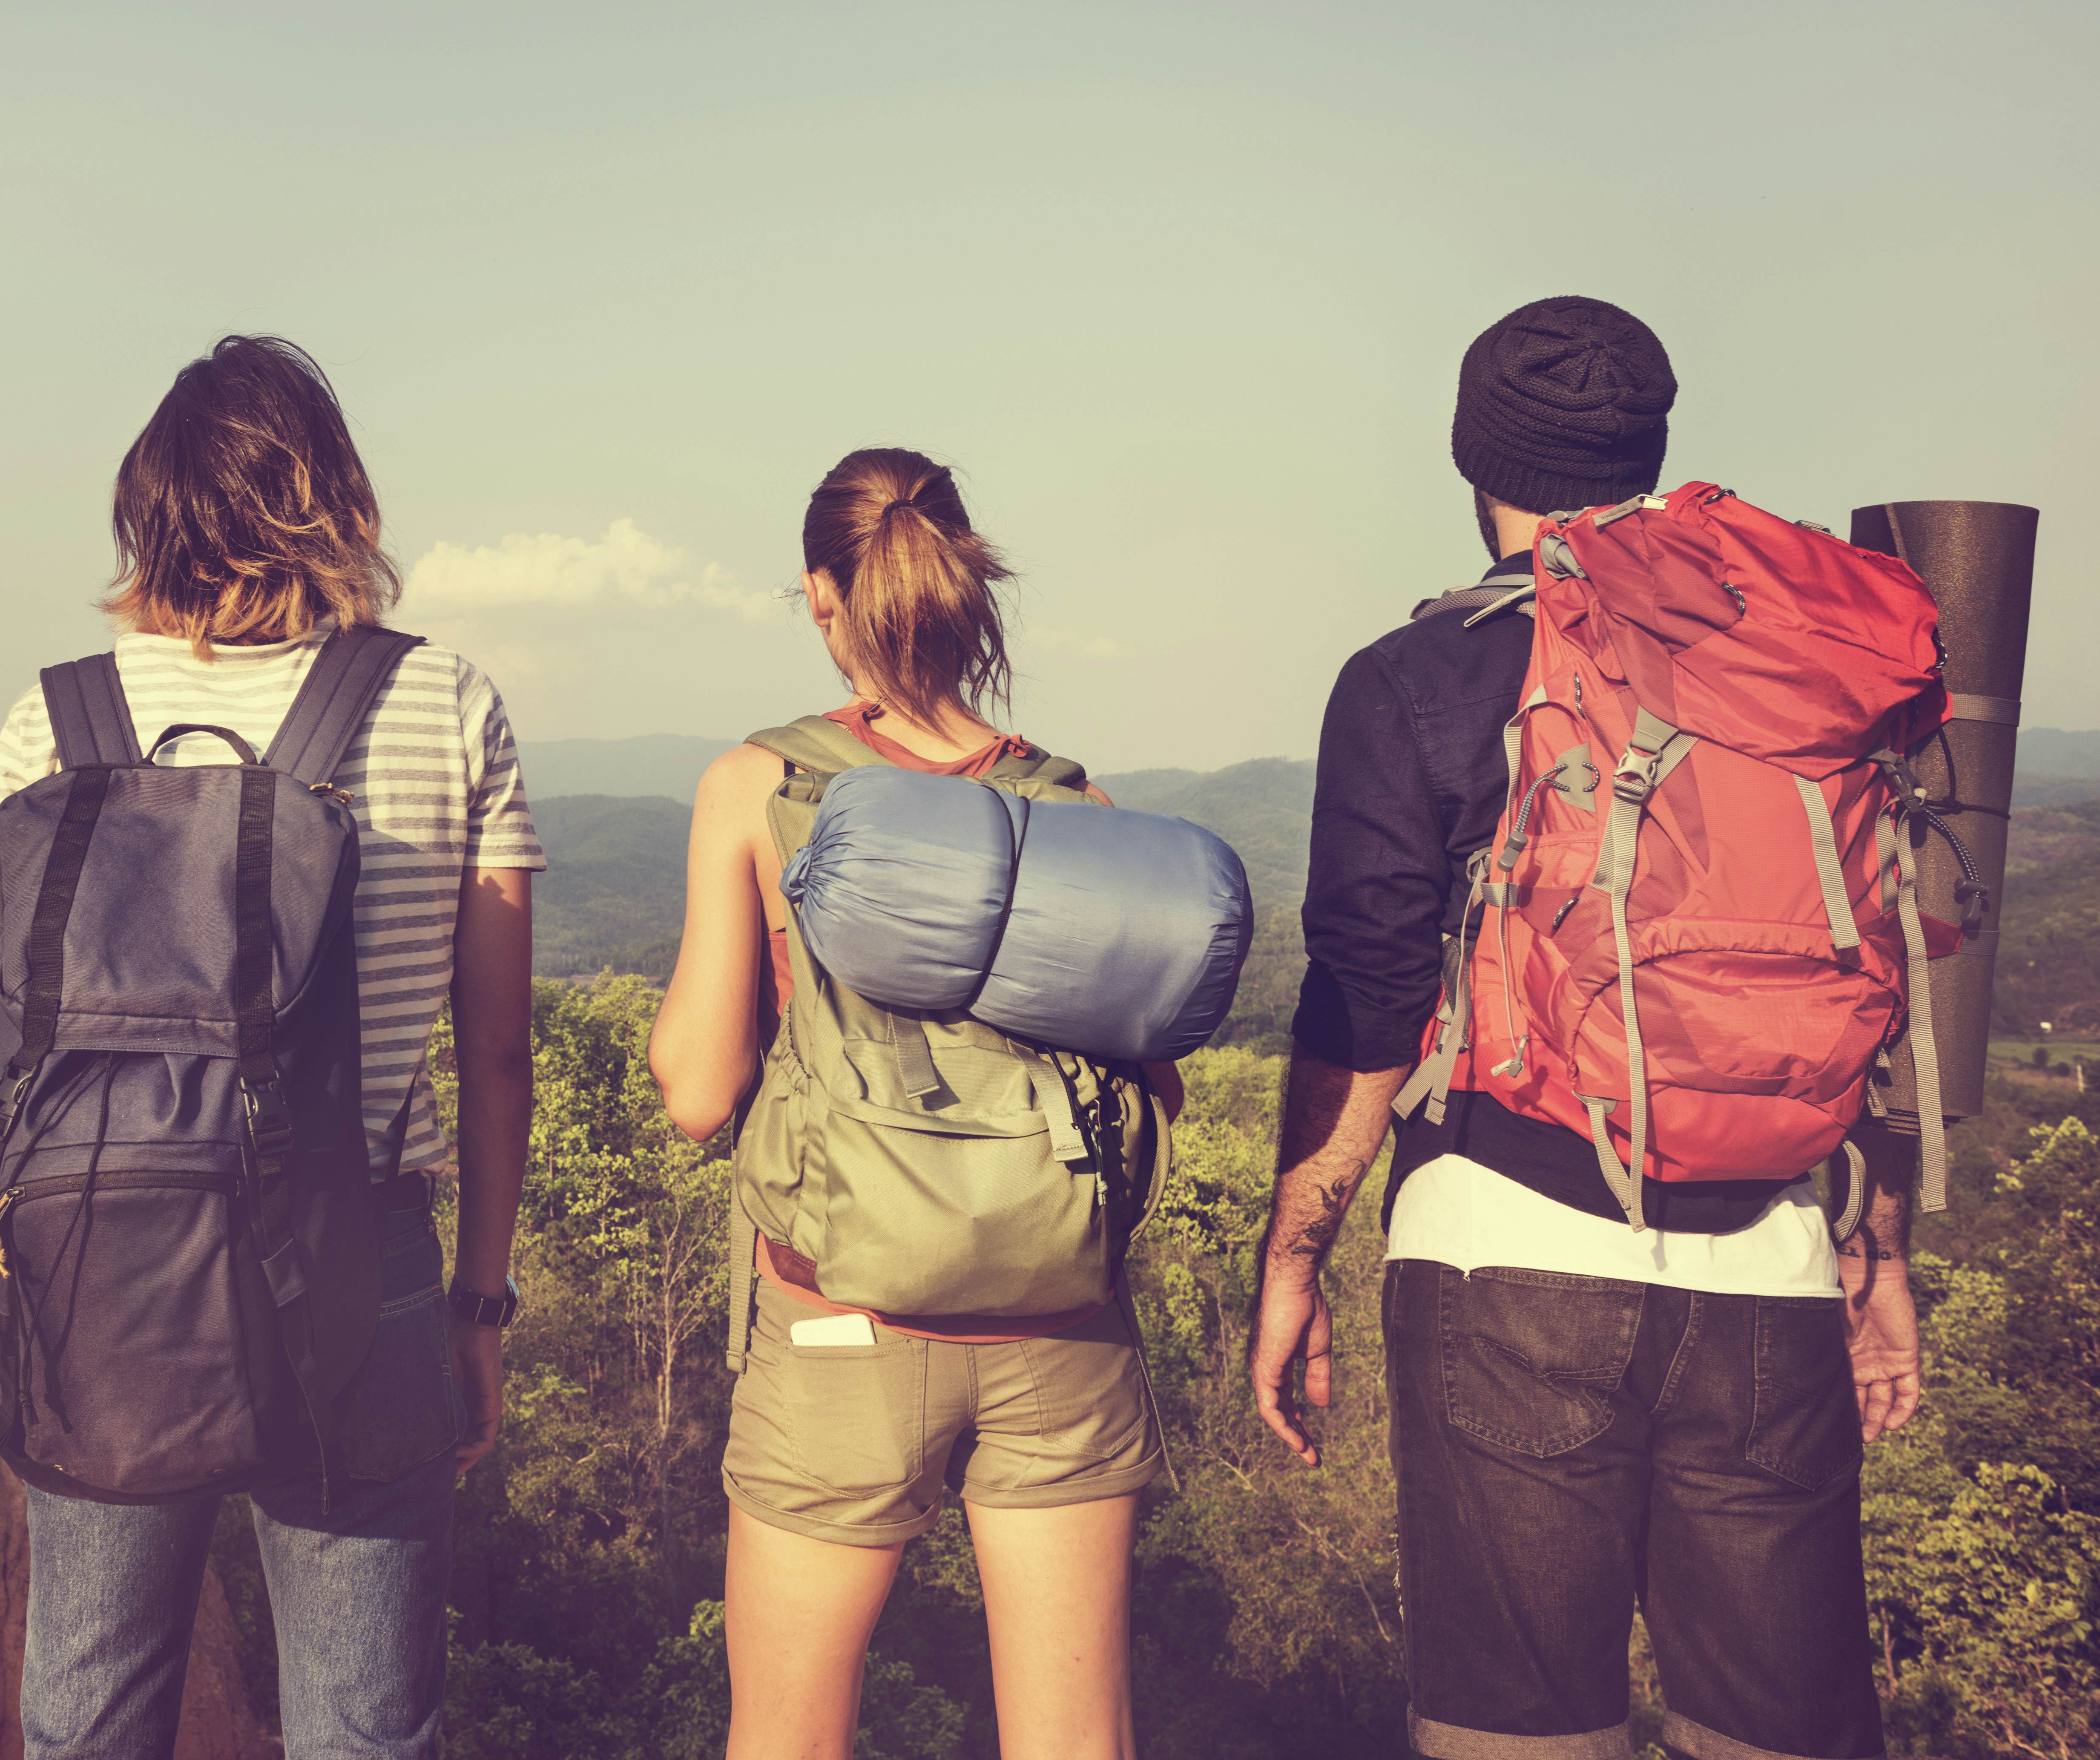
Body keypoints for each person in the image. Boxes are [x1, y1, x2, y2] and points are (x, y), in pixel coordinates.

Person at [1249, 296, 1921, 1760]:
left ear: (1469, 457)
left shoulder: (1415, 680)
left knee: (1522, 1738)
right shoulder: (1795, 665)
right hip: (1774, 1256)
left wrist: (1291, 1251)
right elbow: (1872, 956)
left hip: (1509, 1253)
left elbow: (1366, 998)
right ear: (1650, 449)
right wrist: (1872, 1244)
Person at [0, 335, 540, 1760]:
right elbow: (500, 1056)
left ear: (146, 507)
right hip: (365, 1261)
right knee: (362, 1728)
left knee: (87, 1711)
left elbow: (6, 1064)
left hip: (101, 1265)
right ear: (334, 500)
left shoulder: (56, 717)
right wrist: (479, 1303)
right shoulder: (444, 702)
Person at [649, 447, 1169, 1760]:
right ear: (963, 581)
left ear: (825, 597)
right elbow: (1150, 1081)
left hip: (841, 1320)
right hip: (1061, 1327)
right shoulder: (1072, 801)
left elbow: (700, 1093)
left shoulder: (757, 788)